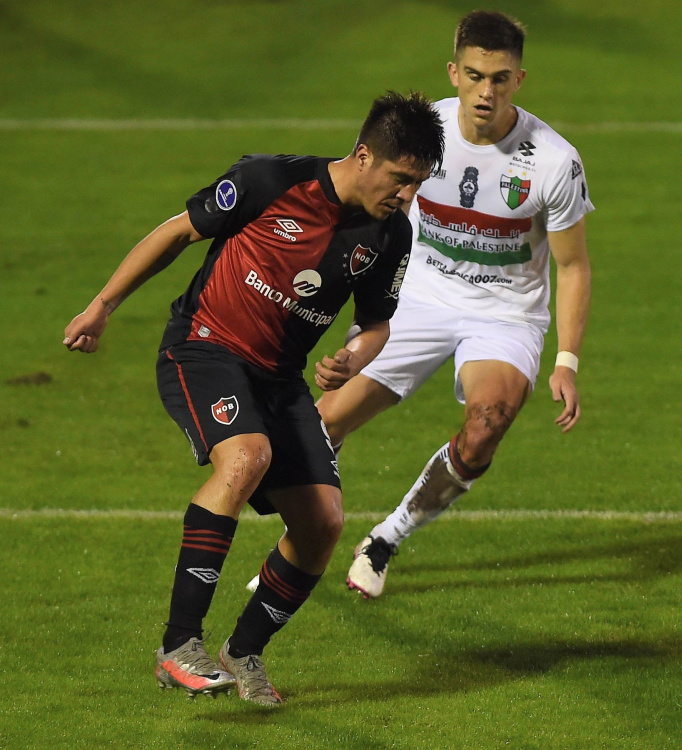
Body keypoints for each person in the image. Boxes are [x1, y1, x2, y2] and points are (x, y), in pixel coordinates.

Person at [63, 91, 445, 704]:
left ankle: (242, 653)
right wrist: (102, 306)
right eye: (400, 179)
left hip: (280, 379)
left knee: (323, 523)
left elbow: (376, 324)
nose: (407, 195)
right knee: (246, 457)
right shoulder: (270, 180)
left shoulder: (390, 235)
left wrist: (354, 358)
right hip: (204, 347)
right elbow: (177, 233)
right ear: (364, 155)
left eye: (418, 184)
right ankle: (178, 646)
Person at [318, 11, 594, 600]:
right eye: (474, 76)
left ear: (519, 79)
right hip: (417, 295)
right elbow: (365, 209)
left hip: (505, 313)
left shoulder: (553, 162)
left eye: (499, 78)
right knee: (325, 421)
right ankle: (303, 543)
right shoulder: (422, 135)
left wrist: (566, 360)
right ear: (453, 73)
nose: (485, 92)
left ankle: (385, 539)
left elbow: (572, 266)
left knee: (486, 426)